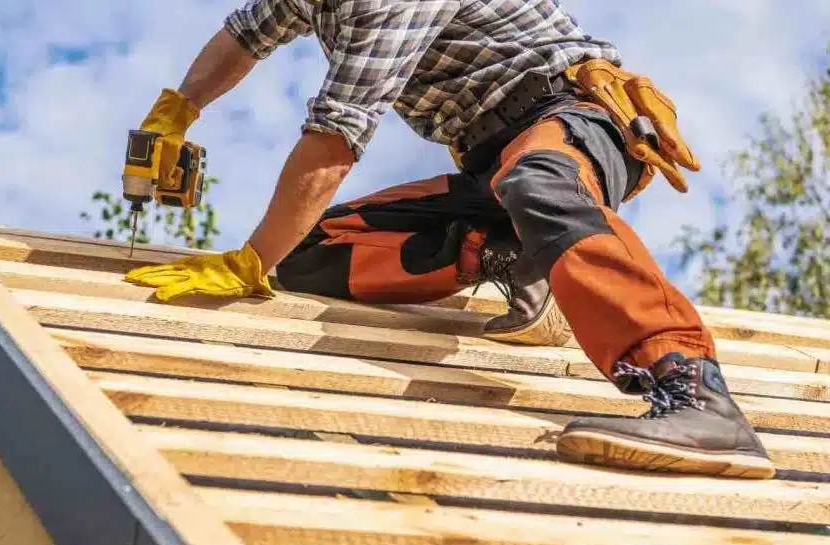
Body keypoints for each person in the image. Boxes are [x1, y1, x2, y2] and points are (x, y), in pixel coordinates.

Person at [123, 0, 775, 480]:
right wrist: (179, 107)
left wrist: (247, 262)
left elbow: (334, 139)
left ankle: (694, 391)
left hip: (571, 118)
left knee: (539, 182)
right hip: (493, 168)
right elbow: (244, 35)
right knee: (311, 252)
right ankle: (515, 254)